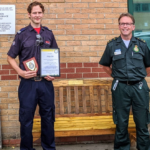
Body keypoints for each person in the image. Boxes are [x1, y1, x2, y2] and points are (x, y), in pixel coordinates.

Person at [7, 1, 58, 150]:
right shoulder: (22, 35)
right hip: (27, 84)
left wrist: (53, 73)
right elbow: (10, 57)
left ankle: (48, 147)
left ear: (42, 14)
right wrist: (20, 72)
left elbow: (54, 55)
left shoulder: (48, 33)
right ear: (29, 14)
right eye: (34, 13)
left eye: (39, 12)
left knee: (48, 118)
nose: (37, 15)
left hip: (45, 83)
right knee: (26, 119)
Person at [99, 13, 150, 150]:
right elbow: (104, 65)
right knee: (121, 124)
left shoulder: (142, 45)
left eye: (128, 23)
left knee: (142, 123)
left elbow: (148, 66)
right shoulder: (112, 45)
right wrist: (117, 77)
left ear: (133, 27)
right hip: (121, 88)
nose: (125, 26)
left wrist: (139, 77)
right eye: (122, 23)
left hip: (139, 87)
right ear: (119, 26)